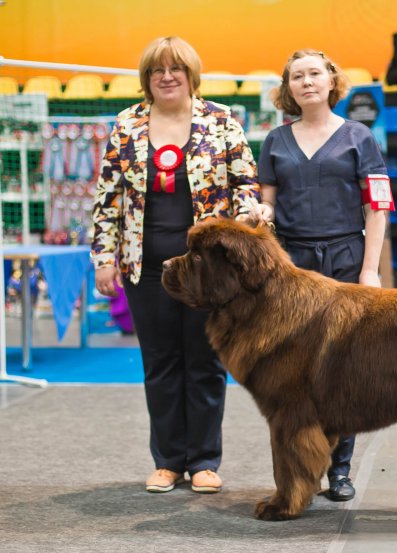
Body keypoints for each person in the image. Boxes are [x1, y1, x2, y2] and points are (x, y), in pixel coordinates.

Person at [91, 36, 270, 494]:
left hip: (207, 272)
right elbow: (108, 197)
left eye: (175, 69)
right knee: (160, 362)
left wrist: (251, 208)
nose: (166, 76)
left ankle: (205, 461)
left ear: (191, 74)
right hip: (145, 266)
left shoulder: (222, 121)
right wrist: (103, 258)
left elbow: (245, 180)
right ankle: (168, 461)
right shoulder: (126, 124)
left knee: (206, 361)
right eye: (157, 70)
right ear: (146, 79)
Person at [257, 49, 392, 502]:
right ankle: (300, 469)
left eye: (315, 73)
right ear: (288, 87)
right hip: (291, 266)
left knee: (344, 370)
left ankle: (340, 469)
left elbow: (377, 207)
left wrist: (369, 270)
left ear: (332, 81)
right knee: (292, 372)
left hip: (347, 260)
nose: (307, 81)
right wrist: (263, 210)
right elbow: (269, 203)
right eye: (297, 76)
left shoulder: (361, 137)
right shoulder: (275, 140)